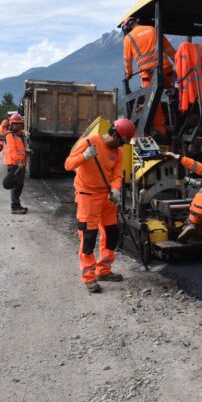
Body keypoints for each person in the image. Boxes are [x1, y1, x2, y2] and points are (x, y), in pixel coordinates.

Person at [64, 118, 136, 293]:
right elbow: (68, 165)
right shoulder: (89, 143)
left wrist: (116, 190)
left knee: (111, 234)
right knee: (88, 237)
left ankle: (103, 270)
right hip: (87, 196)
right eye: (122, 141)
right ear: (114, 133)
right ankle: (89, 278)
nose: (122, 146)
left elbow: (117, 174)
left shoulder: (118, 152)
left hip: (107, 197)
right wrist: (84, 156)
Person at [120, 16, 175, 136]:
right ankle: (180, 121)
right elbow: (168, 47)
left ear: (127, 27)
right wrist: (177, 60)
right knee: (175, 92)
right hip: (166, 69)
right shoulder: (152, 29)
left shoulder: (128, 38)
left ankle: (161, 129)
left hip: (148, 74)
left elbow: (127, 60)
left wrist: (129, 74)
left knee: (153, 102)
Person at [3, 114, 28, 214]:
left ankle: (17, 205)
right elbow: (12, 150)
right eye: (15, 124)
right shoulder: (10, 135)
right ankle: (15, 207)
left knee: (19, 185)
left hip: (19, 164)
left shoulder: (18, 135)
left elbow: (20, 150)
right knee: (16, 186)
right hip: (15, 164)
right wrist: (18, 162)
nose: (17, 126)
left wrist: (27, 150)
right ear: (11, 124)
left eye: (19, 124)